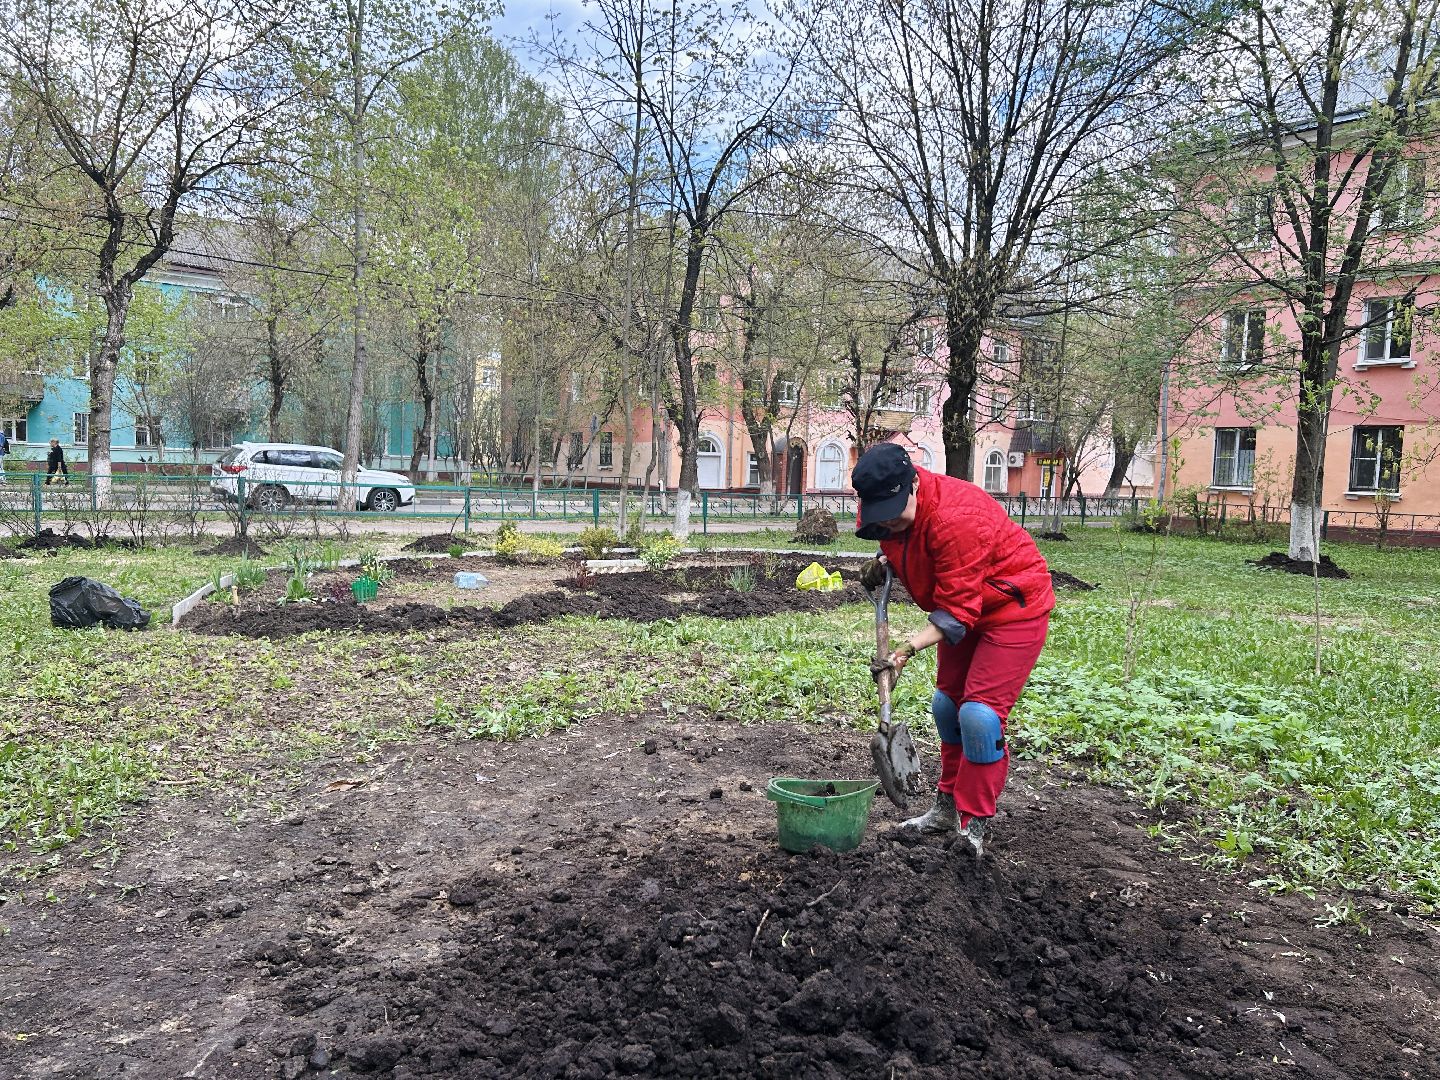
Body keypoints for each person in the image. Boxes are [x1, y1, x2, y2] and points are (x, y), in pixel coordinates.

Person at [853, 441, 1054, 856]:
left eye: (892, 517)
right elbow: (906, 542)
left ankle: (974, 824)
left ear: (912, 485)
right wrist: (883, 557)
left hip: (1012, 609)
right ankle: (946, 808)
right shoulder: (882, 501)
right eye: (879, 520)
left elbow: (959, 610)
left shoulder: (957, 516)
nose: (886, 524)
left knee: (979, 716)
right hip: (961, 606)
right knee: (947, 706)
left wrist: (906, 649)